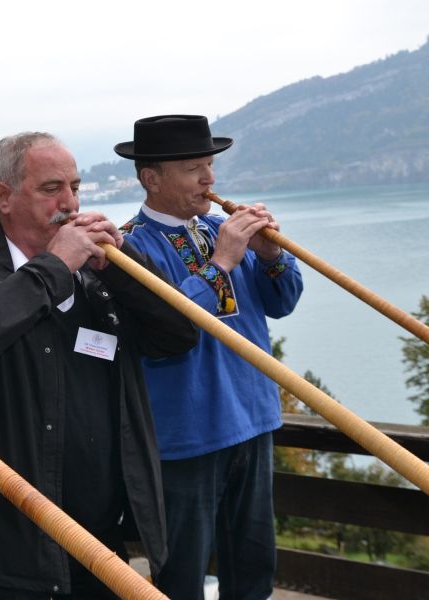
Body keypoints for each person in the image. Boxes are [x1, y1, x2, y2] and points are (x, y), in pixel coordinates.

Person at [0, 132, 198, 599]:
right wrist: (56, 264)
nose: (69, 203)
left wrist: (123, 266)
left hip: (101, 540)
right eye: (52, 189)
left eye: (75, 187)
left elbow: (178, 335)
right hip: (9, 544)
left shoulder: (100, 271)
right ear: (4, 197)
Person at [115, 115, 304, 599]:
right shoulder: (129, 247)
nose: (209, 179)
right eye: (193, 169)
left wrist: (270, 255)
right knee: (182, 574)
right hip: (185, 437)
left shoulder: (223, 229)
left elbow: (283, 302)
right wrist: (221, 262)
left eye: (210, 165)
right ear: (151, 178)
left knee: (254, 567)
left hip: (253, 420)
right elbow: (168, 325)